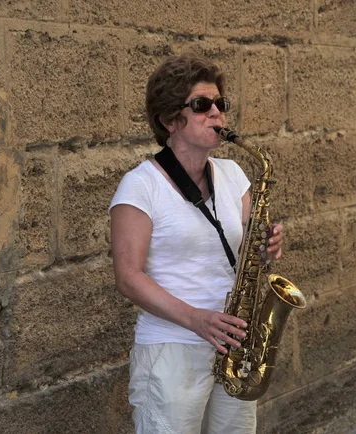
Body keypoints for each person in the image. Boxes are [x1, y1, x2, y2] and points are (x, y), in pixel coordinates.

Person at [109, 53, 284, 433]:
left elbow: (246, 254)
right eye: (203, 105)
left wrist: (266, 249)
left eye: (221, 104)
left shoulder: (233, 174)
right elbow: (128, 277)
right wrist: (195, 318)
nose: (217, 114)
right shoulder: (140, 187)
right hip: (173, 349)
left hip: (232, 346)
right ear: (170, 119)